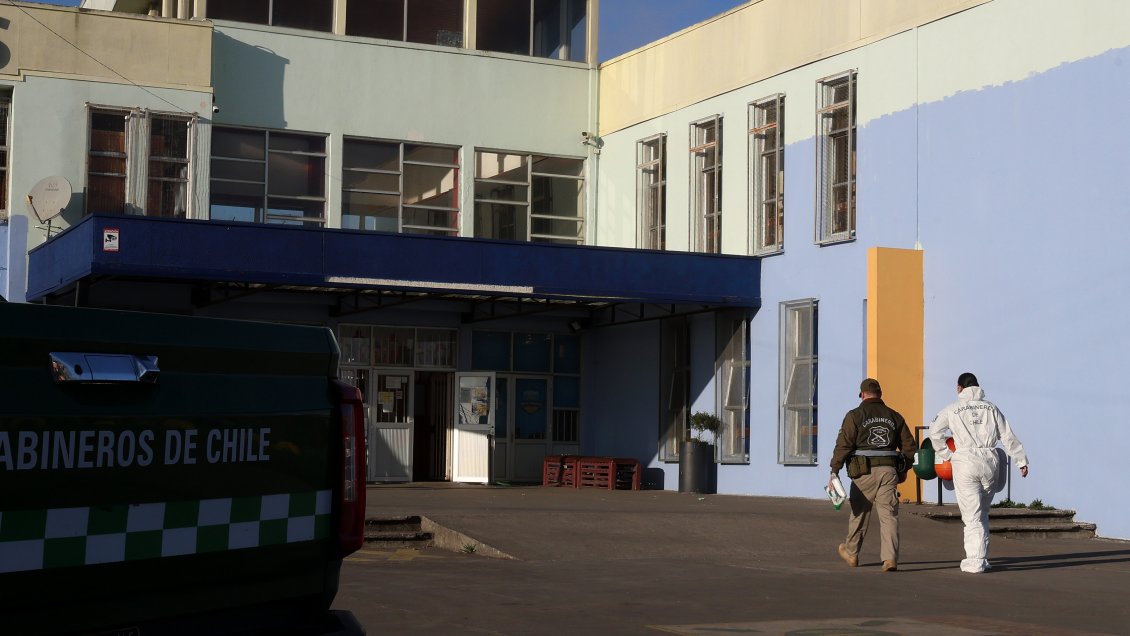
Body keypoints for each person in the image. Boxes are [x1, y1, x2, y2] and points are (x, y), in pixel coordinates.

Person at [930, 372, 1029, 573]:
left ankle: (975, 561)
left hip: (965, 460)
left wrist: (947, 455)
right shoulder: (991, 408)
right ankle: (982, 557)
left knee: (972, 515)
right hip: (990, 461)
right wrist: (1021, 460)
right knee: (982, 512)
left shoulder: (952, 408)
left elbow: (934, 432)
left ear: (959, 388)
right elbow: (1007, 436)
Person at [830, 378, 917, 572]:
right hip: (889, 471)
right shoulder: (895, 416)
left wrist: (834, 470)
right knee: (889, 515)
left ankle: (852, 553)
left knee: (859, 514)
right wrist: (903, 469)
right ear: (880, 394)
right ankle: (890, 559)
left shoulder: (855, 415)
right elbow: (910, 447)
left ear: (862, 395)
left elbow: (843, 445)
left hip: (862, 473)